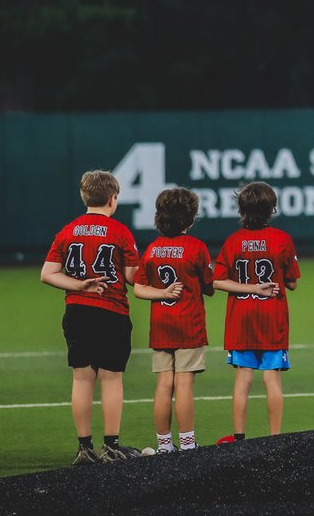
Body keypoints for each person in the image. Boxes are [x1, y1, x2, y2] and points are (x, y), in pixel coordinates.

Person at [40, 169, 142, 464]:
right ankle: (111, 446)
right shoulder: (120, 232)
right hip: (111, 312)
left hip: (78, 310)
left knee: (82, 379)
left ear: (84, 196)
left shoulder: (68, 230)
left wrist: (78, 284)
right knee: (111, 379)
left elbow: (47, 274)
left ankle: (84, 448)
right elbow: (132, 277)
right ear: (113, 199)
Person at [214, 181, 300, 440]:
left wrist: (248, 286)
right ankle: (275, 437)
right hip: (272, 317)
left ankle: (239, 438)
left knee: (243, 379)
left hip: (241, 317)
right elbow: (293, 283)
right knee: (271, 379)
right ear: (271, 208)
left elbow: (217, 281)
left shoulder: (232, 241)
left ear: (242, 209)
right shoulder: (282, 239)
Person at [134, 187, 214, 453]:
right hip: (188, 324)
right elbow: (209, 285)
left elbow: (138, 288)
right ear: (190, 218)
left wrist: (161, 293)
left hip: (161, 325)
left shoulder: (153, 249)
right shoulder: (196, 247)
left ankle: (164, 445)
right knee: (184, 383)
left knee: (163, 383)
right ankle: (189, 444)